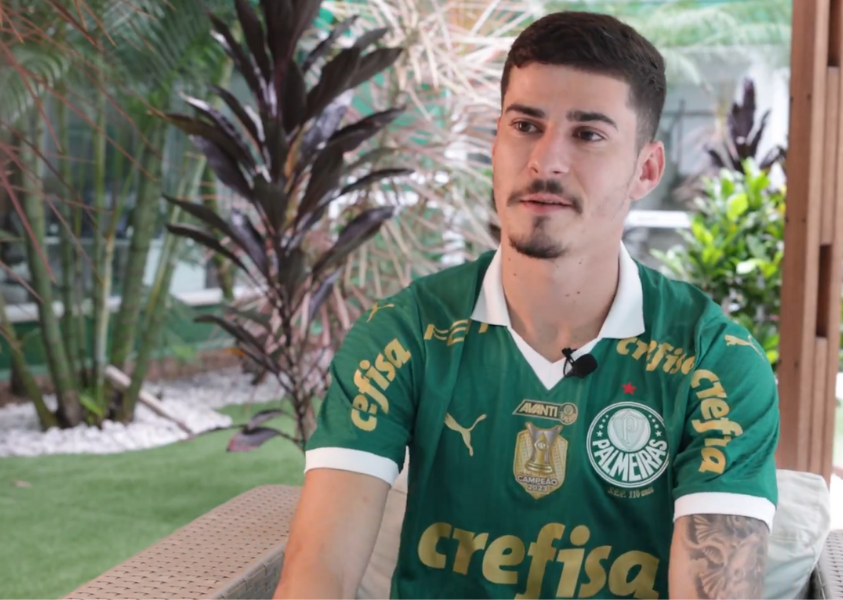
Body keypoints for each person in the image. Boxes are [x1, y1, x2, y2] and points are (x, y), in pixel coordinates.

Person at [275, 11, 779, 599]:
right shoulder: (404, 336)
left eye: (588, 134)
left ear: (646, 169)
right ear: (495, 142)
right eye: (524, 125)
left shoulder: (715, 361)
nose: (545, 160)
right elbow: (318, 579)